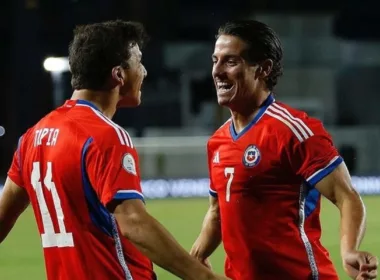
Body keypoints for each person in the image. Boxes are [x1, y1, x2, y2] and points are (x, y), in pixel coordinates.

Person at [0, 20, 230, 280]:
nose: (143, 71)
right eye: (138, 62)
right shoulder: (105, 135)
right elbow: (133, 223)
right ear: (119, 74)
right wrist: (203, 276)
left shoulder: (32, 137)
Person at [190, 20, 378, 280]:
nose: (217, 71)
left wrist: (349, 251)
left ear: (263, 69)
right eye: (215, 60)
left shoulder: (294, 131)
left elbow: (346, 196)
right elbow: (217, 212)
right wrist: (196, 257)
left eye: (230, 61)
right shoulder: (217, 141)